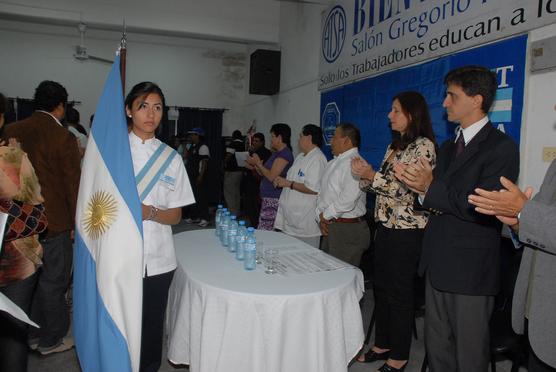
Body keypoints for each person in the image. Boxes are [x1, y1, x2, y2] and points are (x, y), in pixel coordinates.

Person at [395, 66, 519, 372]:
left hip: (470, 274)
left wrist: (429, 189)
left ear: (476, 100)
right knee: (437, 352)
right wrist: (419, 189)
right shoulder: (449, 147)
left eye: (452, 95)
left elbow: (479, 207)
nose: (445, 103)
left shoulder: (501, 148)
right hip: (437, 265)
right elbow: (440, 198)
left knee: (469, 358)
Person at [353, 92, 436, 371]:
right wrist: (365, 176)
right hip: (386, 228)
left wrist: (370, 176)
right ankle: (382, 344)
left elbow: (405, 191)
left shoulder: (423, 147)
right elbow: (381, 186)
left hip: (407, 231)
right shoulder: (395, 146)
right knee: (382, 288)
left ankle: (399, 355)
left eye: (396, 111)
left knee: (400, 293)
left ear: (411, 115)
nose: (390, 115)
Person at [4, 80, 81, 355]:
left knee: (28, 283)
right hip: (54, 222)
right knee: (54, 282)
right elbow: (73, 184)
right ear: (60, 106)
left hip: (18, 224)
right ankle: (53, 339)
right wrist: (75, 223)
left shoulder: (11, 130)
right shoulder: (63, 137)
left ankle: (32, 334)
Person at [125, 81, 195, 372]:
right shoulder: (111, 153)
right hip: (120, 255)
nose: (151, 114)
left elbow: (176, 215)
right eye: (143, 106)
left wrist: (149, 212)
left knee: (152, 327)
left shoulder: (171, 158)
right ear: (129, 110)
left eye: (157, 108)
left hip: (158, 259)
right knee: (121, 322)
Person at [468, 160, 556, 371]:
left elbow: (531, 213)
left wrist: (523, 211)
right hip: (541, 314)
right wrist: (516, 222)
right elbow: (538, 221)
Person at [0, 92, 48, 372]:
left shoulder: (14, 159)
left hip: (17, 267)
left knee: (12, 346)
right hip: (19, 263)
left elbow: (38, 218)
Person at [316, 123, 370, 266]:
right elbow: (322, 193)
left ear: (346, 140)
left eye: (334, 136)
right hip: (331, 226)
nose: (331, 140)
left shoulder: (356, 162)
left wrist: (325, 216)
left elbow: (348, 199)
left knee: (343, 277)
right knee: (326, 273)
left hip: (347, 230)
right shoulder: (333, 163)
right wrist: (320, 216)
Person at [273, 124, 327, 248]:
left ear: (309, 137)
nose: (298, 140)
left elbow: (313, 189)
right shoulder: (300, 156)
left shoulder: (317, 159)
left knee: (304, 261)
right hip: (291, 220)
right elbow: (293, 180)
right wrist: (281, 181)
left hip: (305, 224)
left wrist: (288, 184)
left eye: (300, 136)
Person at [245, 123, 293, 230]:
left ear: (279, 137)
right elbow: (265, 173)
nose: (270, 139)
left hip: (274, 197)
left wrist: (258, 164)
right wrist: (255, 166)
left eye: (272, 136)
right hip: (267, 196)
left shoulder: (284, 154)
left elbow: (271, 176)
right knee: (265, 227)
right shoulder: (276, 153)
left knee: (265, 229)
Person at [243, 132, 272, 227]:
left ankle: (256, 224)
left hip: (258, 182)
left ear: (262, 142)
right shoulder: (252, 151)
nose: (254, 143)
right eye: (253, 141)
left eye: (256, 141)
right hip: (249, 180)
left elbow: (263, 167)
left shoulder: (266, 152)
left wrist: (253, 166)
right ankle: (253, 223)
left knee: (256, 205)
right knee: (249, 204)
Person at [184, 127, 210, 227]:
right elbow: (186, 157)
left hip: (199, 176)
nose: (190, 136)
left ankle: (205, 218)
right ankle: (196, 217)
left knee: (201, 197)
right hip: (191, 175)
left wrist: (201, 175)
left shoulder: (203, 147)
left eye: (192, 134)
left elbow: (204, 162)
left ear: (198, 135)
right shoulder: (192, 146)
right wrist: (186, 146)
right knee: (193, 197)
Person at [223, 130, 245, 216]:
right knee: (236, 192)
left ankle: (232, 212)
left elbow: (229, 155)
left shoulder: (232, 144)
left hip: (231, 171)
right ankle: (237, 211)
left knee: (229, 192)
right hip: (240, 171)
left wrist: (224, 162)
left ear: (233, 136)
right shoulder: (243, 145)